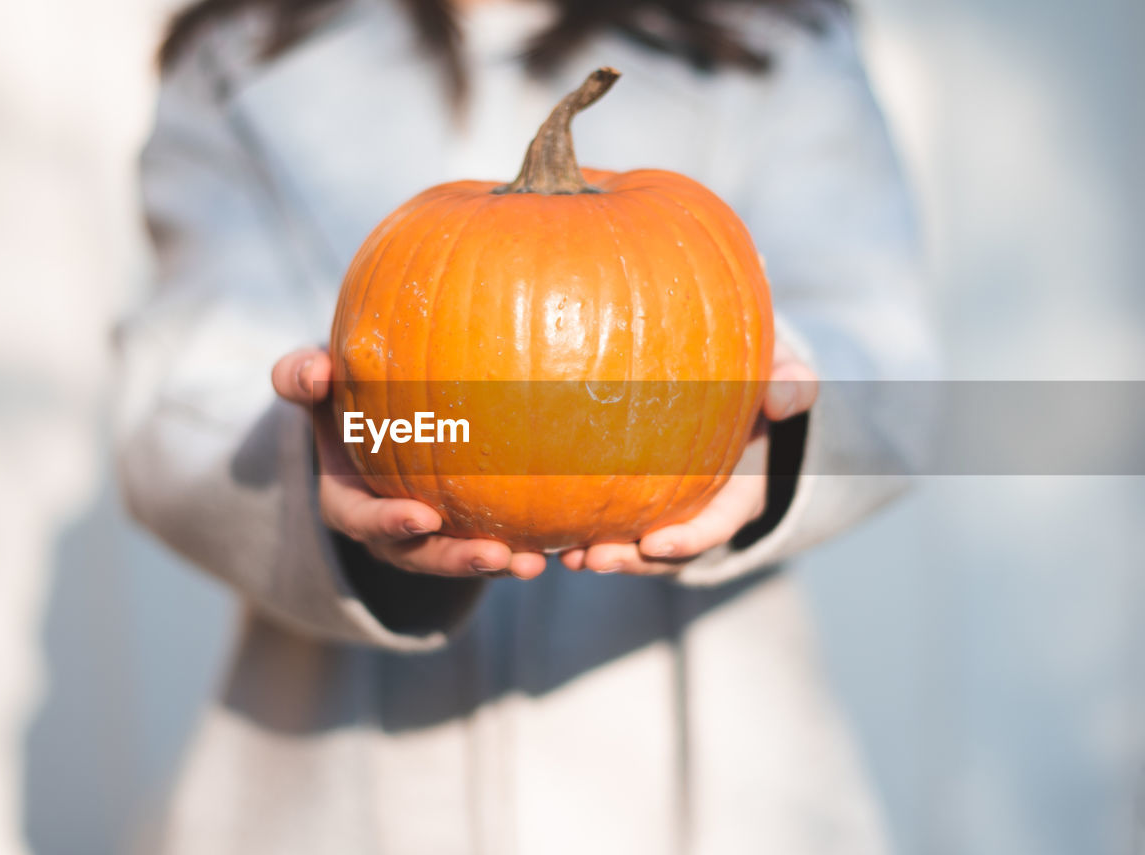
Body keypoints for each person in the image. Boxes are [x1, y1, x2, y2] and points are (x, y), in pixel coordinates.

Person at [115, 0, 936, 852]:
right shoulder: (245, 47)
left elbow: (887, 358)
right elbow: (174, 398)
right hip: (325, 780)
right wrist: (338, 452)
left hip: (708, 780)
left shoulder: (773, 37)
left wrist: (761, 416)